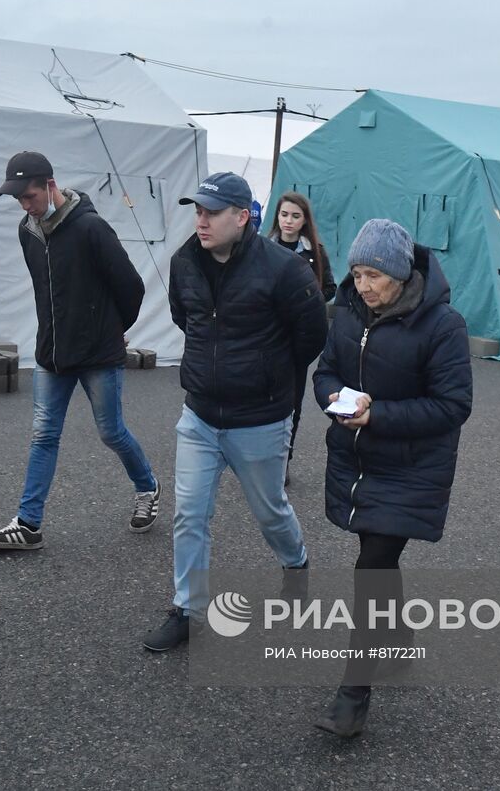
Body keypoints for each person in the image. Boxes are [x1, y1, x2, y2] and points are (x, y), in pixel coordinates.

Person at [141, 172, 327, 651]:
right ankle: (187, 608)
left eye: (211, 211)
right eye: (197, 210)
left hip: (261, 419)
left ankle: (296, 561)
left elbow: (311, 336)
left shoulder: (284, 270)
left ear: (241, 217)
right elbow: (186, 316)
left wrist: (267, 376)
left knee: (270, 512)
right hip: (200, 415)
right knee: (189, 515)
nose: (200, 220)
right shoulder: (185, 261)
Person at [310, 218, 473, 738]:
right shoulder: (346, 314)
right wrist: (336, 400)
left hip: (410, 466)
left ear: (401, 274)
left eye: (374, 275)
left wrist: (378, 415)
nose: (363, 286)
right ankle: (397, 641)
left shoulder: (443, 325)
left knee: (373, 565)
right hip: (357, 459)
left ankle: (353, 696)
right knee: (378, 559)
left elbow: (452, 406)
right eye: (356, 274)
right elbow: (325, 372)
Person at [0, 151, 159, 550]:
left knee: (111, 432)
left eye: (30, 196)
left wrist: (113, 330)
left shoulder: (92, 228)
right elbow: (47, 295)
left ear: (51, 186)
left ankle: (147, 488)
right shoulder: (28, 231)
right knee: (44, 435)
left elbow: (132, 286)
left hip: (98, 354)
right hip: (52, 354)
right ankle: (28, 524)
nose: (26, 206)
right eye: (19, 199)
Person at [265, 191, 336, 485]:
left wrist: (307, 302)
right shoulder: (262, 247)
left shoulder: (315, 252)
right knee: (260, 398)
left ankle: (283, 461)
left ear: (304, 220)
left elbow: (329, 288)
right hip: (264, 337)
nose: (288, 221)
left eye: (295, 216)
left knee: (291, 402)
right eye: (284, 215)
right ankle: (258, 458)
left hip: (296, 341)